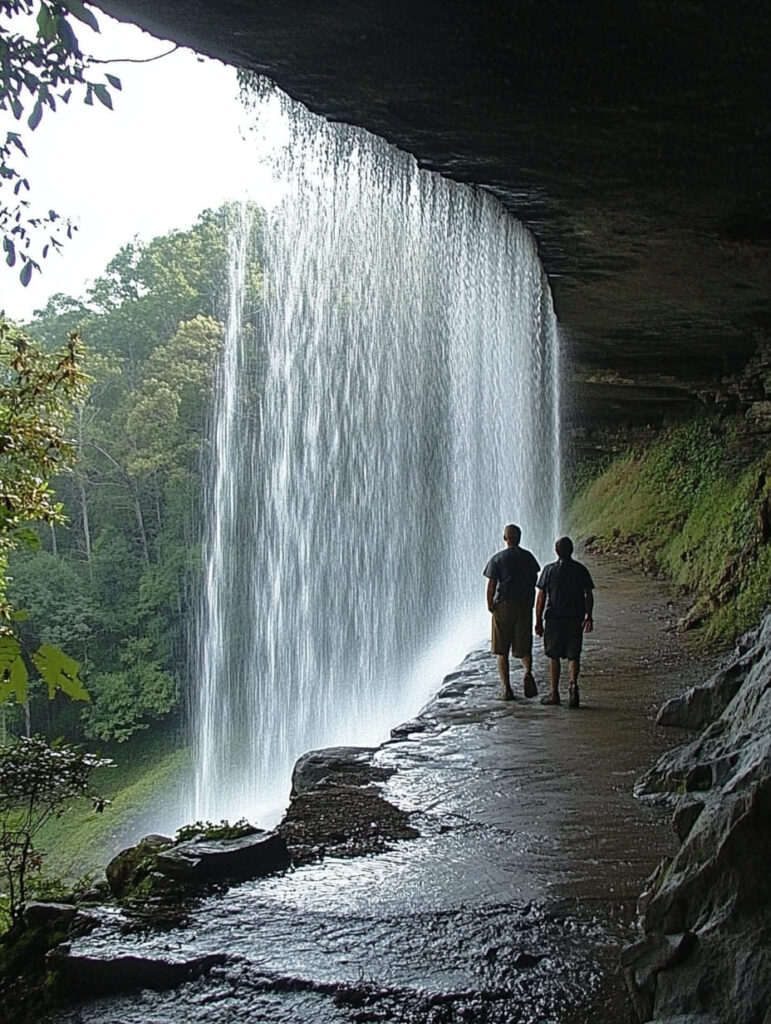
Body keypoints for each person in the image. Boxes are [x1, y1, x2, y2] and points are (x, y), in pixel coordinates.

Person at [534, 536, 594, 708]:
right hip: (575, 617)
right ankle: (573, 686)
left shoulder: (549, 570)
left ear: (556, 551)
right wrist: (588, 616)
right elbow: (588, 594)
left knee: (554, 655)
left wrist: (538, 621)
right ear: (571, 550)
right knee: (573, 654)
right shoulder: (580, 570)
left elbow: (541, 597)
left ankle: (554, 692)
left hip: (554, 618)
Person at [483, 524, 541, 701]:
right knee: (524, 644)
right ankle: (527, 672)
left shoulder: (497, 559)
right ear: (519, 537)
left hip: (504, 605)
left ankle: (506, 688)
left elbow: (491, 585)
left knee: (502, 649)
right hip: (524, 605)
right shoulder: (528, 557)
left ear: (505, 538)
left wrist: (490, 604)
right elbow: (534, 580)